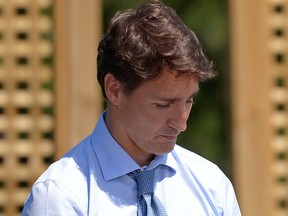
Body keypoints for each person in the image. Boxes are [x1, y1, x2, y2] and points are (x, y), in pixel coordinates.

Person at [22, 0, 241, 215]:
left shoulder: (213, 187)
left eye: (189, 101)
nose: (181, 123)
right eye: (163, 104)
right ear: (114, 90)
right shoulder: (60, 196)